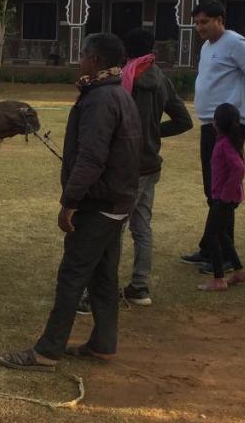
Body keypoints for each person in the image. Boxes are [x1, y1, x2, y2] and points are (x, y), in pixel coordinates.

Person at [0, 33, 141, 372]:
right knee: (103, 276)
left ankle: (48, 350)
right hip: (118, 201)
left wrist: (69, 202)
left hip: (99, 204)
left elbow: (91, 157)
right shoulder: (118, 93)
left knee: (73, 275)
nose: (79, 60)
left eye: (82, 55)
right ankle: (104, 344)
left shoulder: (101, 100)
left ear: (93, 59)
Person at [78, 27, 192, 311]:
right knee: (141, 227)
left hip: (127, 167)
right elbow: (183, 120)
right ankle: (140, 286)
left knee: (111, 229)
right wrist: (153, 133)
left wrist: (142, 134)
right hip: (151, 164)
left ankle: (100, 293)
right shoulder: (161, 79)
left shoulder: (122, 80)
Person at [180, 0, 245, 273]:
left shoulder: (236, 44)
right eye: (197, 23)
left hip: (229, 128)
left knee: (222, 193)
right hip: (210, 126)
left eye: (205, 22)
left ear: (220, 19)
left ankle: (225, 256)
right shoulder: (208, 47)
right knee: (212, 190)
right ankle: (210, 247)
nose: (200, 28)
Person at [198, 102, 245, 291]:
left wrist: (226, 194)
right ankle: (238, 271)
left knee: (213, 236)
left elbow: (238, 168)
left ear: (216, 123)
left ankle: (218, 279)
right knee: (222, 235)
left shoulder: (224, 145)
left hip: (223, 200)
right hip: (225, 198)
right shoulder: (228, 142)